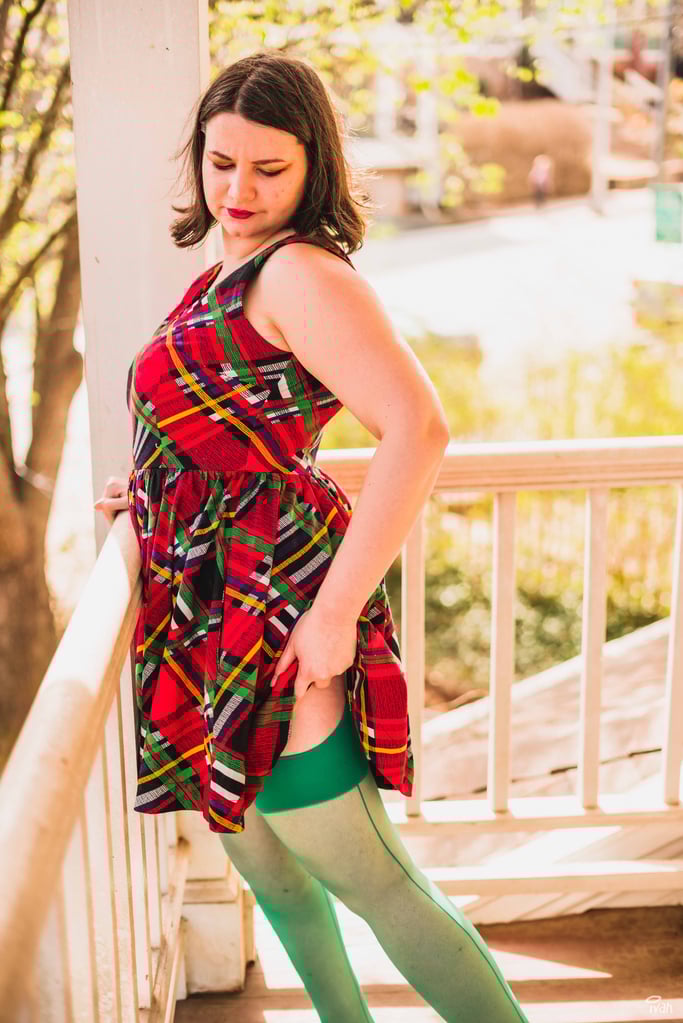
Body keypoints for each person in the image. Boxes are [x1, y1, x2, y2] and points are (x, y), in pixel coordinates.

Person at [94, 49, 530, 1023]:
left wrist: (332, 620)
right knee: (276, 879)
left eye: (268, 168)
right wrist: (156, 486)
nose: (237, 190)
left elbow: (418, 428)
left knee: (376, 882)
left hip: (273, 608)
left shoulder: (298, 271)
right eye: (220, 163)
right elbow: (228, 424)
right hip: (204, 612)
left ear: (312, 168)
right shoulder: (228, 270)